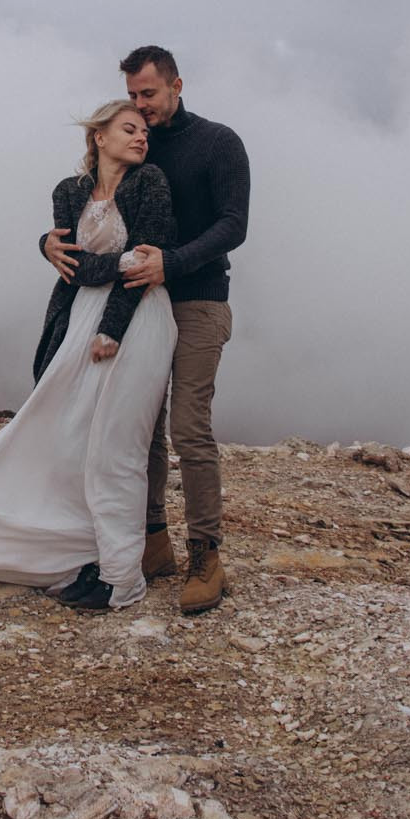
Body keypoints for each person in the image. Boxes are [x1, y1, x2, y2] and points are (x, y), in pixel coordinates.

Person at [0, 101, 177, 610]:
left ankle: (122, 577)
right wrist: (89, 259)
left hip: (137, 320)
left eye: (144, 132)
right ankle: (76, 556)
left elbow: (142, 266)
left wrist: (112, 328)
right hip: (76, 322)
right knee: (62, 433)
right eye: (129, 129)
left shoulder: (151, 182)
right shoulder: (68, 192)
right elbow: (70, 267)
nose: (141, 139)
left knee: (117, 446)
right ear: (99, 137)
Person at [43, 46, 249, 613]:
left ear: (177, 86)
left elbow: (235, 224)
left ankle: (206, 554)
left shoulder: (217, 142)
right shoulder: (138, 146)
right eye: (133, 97)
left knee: (188, 426)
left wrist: (172, 264)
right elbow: (96, 212)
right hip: (136, 302)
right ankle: (152, 542)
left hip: (199, 299)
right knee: (139, 427)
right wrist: (46, 244)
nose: (141, 108)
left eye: (149, 95)